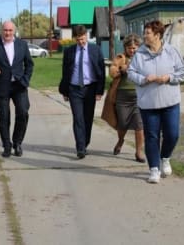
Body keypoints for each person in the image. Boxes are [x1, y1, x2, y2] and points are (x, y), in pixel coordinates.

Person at [127, 20, 184, 183]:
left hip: (170, 102)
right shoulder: (139, 54)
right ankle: (154, 169)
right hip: (148, 104)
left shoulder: (172, 51)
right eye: (145, 32)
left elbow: (183, 72)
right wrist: (143, 79)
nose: (144, 36)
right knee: (152, 136)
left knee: (172, 134)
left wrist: (169, 77)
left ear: (157, 35)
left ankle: (165, 158)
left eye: (147, 33)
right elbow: (130, 73)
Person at [0, 21, 34, 158]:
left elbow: (29, 64)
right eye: (5, 30)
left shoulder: (22, 45)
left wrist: (25, 80)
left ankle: (17, 143)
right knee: (4, 117)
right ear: (1, 31)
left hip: (19, 85)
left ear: (14, 31)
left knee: (23, 113)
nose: (7, 33)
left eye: (10, 30)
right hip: (1, 86)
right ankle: (6, 145)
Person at [59, 25, 105, 159]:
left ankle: (85, 143)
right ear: (74, 38)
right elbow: (65, 72)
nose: (81, 42)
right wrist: (65, 91)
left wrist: (99, 91)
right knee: (78, 118)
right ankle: (80, 148)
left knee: (88, 118)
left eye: (83, 39)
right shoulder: (69, 51)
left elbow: (101, 71)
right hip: (74, 89)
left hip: (90, 88)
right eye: (78, 40)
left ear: (87, 36)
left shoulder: (95, 50)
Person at [109, 34, 145, 163]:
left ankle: (139, 152)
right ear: (125, 48)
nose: (132, 50)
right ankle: (120, 141)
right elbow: (112, 72)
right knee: (122, 124)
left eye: (135, 48)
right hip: (122, 97)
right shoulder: (120, 58)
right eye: (130, 48)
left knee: (139, 125)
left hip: (139, 97)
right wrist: (120, 69)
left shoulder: (143, 59)